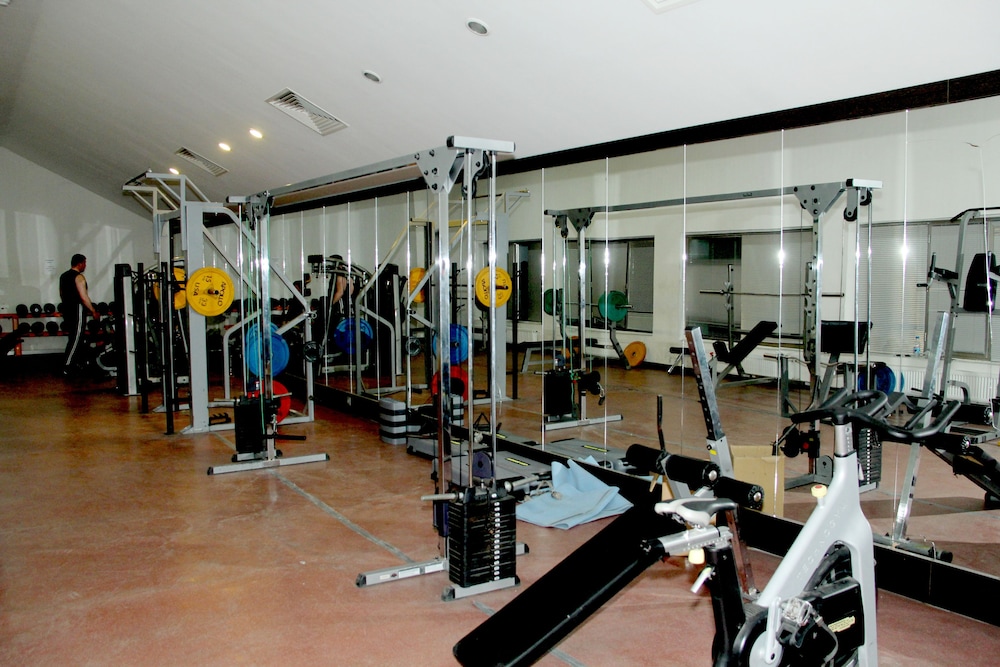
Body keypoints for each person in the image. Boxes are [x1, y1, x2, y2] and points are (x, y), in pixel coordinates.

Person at [59, 253, 99, 376]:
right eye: (85, 263)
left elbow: (61, 293)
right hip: (77, 310)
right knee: (76, 339)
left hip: (67, 310)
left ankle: (76, 363)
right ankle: (67, 366)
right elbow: (83, 297)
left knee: (75, 338)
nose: (85, 266)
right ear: (80, 263)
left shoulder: (63, 276)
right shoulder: (79, 277)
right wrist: (93, 311)